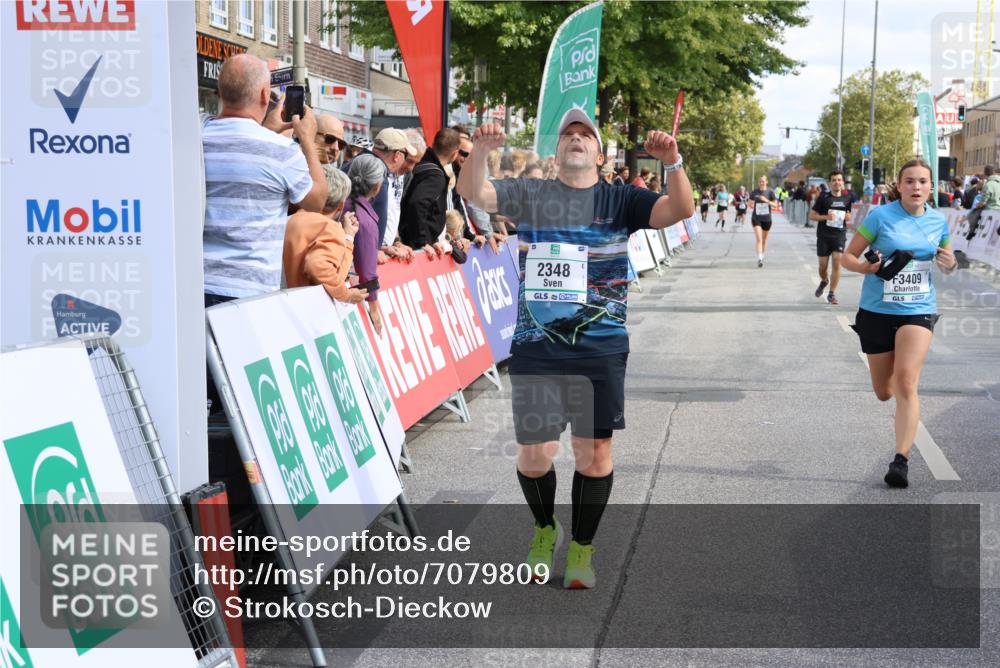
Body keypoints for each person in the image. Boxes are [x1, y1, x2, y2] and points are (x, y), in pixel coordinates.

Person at [457, 109, 693, 590]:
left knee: (593, 454)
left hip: (599, 347)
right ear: (558, 152)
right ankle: (545, 530)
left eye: (586, 134)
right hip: (536, 346)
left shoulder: (621, 198)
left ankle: (583, 546)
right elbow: (474, 193)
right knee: (534, 456)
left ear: (600, 155)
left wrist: (672, 161)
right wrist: (480, 152)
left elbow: (681, 210)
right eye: (568, 134)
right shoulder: (533, 194)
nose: (577, 138)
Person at [841, 159, 956, 488]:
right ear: (900, 186)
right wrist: (868, 269)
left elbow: (947, 264)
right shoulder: (880, 216)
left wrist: (950, 263)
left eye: (922, 181)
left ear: (931, 187)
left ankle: (901, 460)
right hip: (877, 311)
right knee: (883, 391)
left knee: (906, 382)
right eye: (910, 181)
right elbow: (849, 257)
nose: (916, 187)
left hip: (917, 310)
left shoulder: (938, 222)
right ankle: (890, 385)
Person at [202, 54, 327, 304]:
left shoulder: (197, 137)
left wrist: (266, 130)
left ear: (220, 91)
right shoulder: (281, 151)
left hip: (197, 282)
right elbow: (317, 200)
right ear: (263, 95)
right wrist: (308, 141)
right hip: (250, 291)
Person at [283, 168, 368, 304]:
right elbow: (318, 266)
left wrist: (348, 237)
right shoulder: (329, 227)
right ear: (341, 206)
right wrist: (346, 295)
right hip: (300, 308)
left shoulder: (289, 219)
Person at [398, 127, 461, 255]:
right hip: (413, 247)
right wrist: (421, 242)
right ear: (454, 154)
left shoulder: (423, 163)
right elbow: (417, 204)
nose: (410, 167)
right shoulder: (435, 176)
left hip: (407, 242)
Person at [344, 154, 388, 335]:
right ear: (377, 188)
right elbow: (368, 273)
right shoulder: (366, 222)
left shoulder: (338, 204)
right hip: (343, 291)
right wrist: (374, 309)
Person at [808, 170, 854, 305]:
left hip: (839, 235)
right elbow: (812, 215)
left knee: (837, 262)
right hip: (823, 236)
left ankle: (832, 293)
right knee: (822, 267)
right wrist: (826, 217)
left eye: (839, 180)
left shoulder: (847, 198)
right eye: (834, 180)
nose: (837, 182)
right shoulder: (823, 198)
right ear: (829, 183)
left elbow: (849, 215)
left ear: (843, 182)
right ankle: (824, 280)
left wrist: (848, 217)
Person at [749, 175, 777, 267]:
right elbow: (749, 203)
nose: (761, 183)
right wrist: (751, 203)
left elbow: (775, 205)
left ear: (766, 182)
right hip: (756, 217)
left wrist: (766, 201)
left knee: (764, 240)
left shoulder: (770, 192)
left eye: (763, 181)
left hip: (767, 218)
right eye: (760, 181)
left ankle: (762, 255)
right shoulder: (754, 192)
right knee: (759, 239)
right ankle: (759, 259)